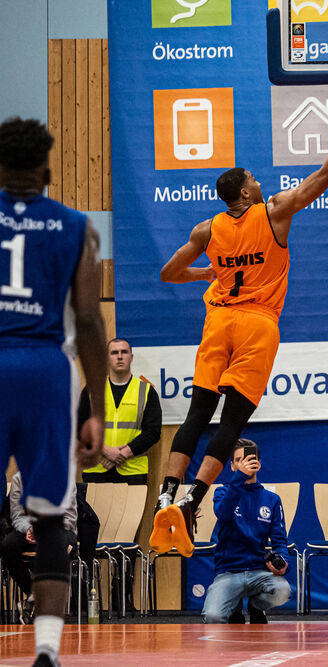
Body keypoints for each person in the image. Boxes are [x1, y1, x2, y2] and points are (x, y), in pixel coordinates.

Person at [150, 110, 328, 558]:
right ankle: (191, 503)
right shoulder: (274, 211)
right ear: (245, 191)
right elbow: (319, 179)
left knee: (197, 414)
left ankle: (166, 495)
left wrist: (208, 272)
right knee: (232, 423)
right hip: (257, 325)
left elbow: (168, 272)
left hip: (219, 320)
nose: (260, 182)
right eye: (253, 179)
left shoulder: (207, 229)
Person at [0, 116, 107, 667]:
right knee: (48, 517)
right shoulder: (75, 226)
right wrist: (96, 408)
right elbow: (88, 320)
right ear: (46, 169)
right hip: (45, 370)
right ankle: (46, 651)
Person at [201, 439, 291, 623]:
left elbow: (279, 540)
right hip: (229, 571)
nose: (245, 464)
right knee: (213, 617)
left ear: (258, 463)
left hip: (259, 571)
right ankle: (234, 608)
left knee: (282, 591)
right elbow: (224, 515)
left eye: (249, 458)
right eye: (239, 460)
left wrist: (282, 561)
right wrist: (239, 479)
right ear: (232, 466)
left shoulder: (271, 499)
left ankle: (256, 607)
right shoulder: (223, 492)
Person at [78, 337, 162, 484]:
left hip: (133, 470)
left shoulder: (146, 390)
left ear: (131, 357)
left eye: (124, 352)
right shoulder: (92, 390)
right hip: (97, 469)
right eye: (114, 353)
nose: (120, 356)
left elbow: (153, 432)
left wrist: (124, 453)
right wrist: (104, 450)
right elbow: (80, 428)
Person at [1, 472, 78, 624]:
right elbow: (17, 516)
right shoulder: (19, 478)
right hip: (30, 528)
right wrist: (29, 529)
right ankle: (32, 592)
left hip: (61, 528)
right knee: (8, 545)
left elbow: (69, 517)